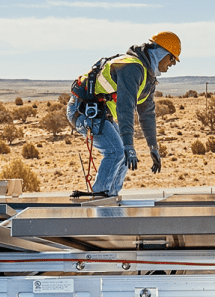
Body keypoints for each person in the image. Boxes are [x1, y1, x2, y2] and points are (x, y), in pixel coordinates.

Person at [66, 32, 180, 197]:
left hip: (101, 112)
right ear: (161, 52)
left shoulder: (148, 77)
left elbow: (147, 114)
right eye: (172, 59)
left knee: (124, 154)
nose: (172, 64)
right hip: (83, 110)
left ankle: (111, 196)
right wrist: (128, 144)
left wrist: (153, 147)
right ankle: (99, 196)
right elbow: (125, 108)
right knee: (116, 152)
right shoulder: (132, 68)